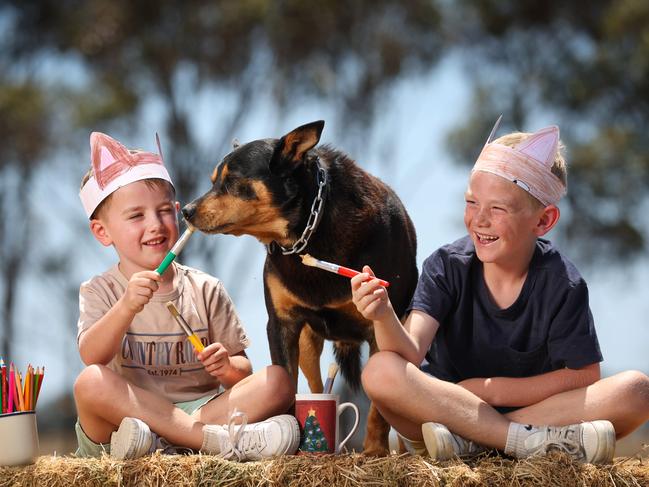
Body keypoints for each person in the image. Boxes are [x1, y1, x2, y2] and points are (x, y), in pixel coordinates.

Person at [351, 123, 649, 463]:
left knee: (636, 391)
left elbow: (583, 376)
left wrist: (487, 390)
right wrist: (383, 314)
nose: (479, 219)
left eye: (498, 209)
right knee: (379, 371)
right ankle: (519, 442)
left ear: (543, 221)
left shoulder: (562, 283)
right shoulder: (446, 267)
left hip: (532, 414)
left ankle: (481, 442)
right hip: (445, 410)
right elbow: (410, 353)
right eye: (472, 202)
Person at [74, 131, 299, 461]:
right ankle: (211, 442)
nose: (155, 224)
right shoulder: (100, 289)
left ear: (178, 211)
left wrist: (226, 367)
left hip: (204, 412)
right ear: (102, 232)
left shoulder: (206, 289)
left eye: (164, 211)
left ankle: (176, 441)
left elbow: (242, 372)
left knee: (278, 380)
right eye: (136, 216)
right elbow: (92, 355)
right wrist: (125, 307)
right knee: (90, 382)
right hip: (128, 419)